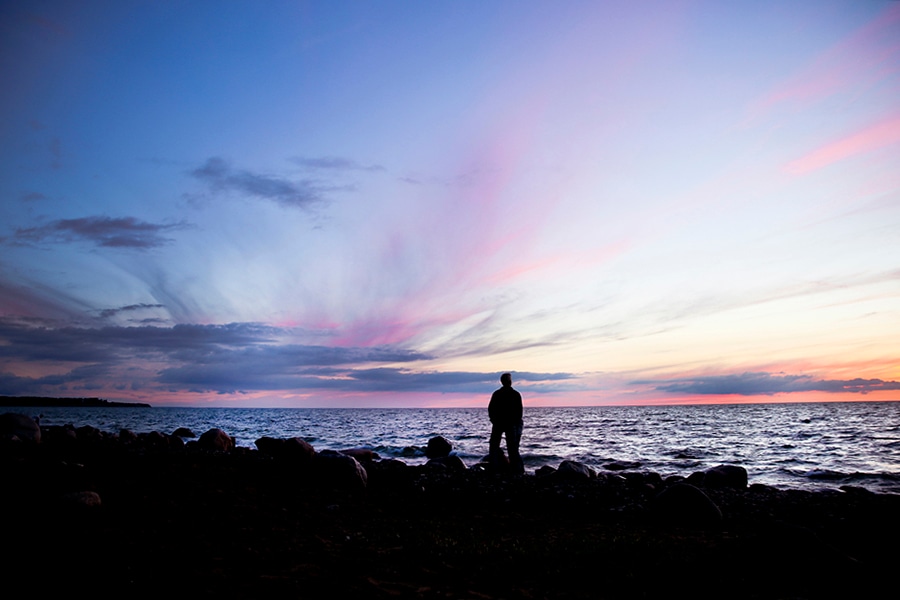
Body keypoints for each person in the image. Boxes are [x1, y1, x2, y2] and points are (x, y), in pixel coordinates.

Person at [488, 372, 524, 474]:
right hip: (507, 423)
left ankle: (495, 468)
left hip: (501, 423)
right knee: (511, 448)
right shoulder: (515, 394)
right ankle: (514, 470)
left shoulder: (497, 394)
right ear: (510, 382)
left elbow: (491, 409)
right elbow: (519, 411)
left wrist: (493, 420)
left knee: (495, 446)